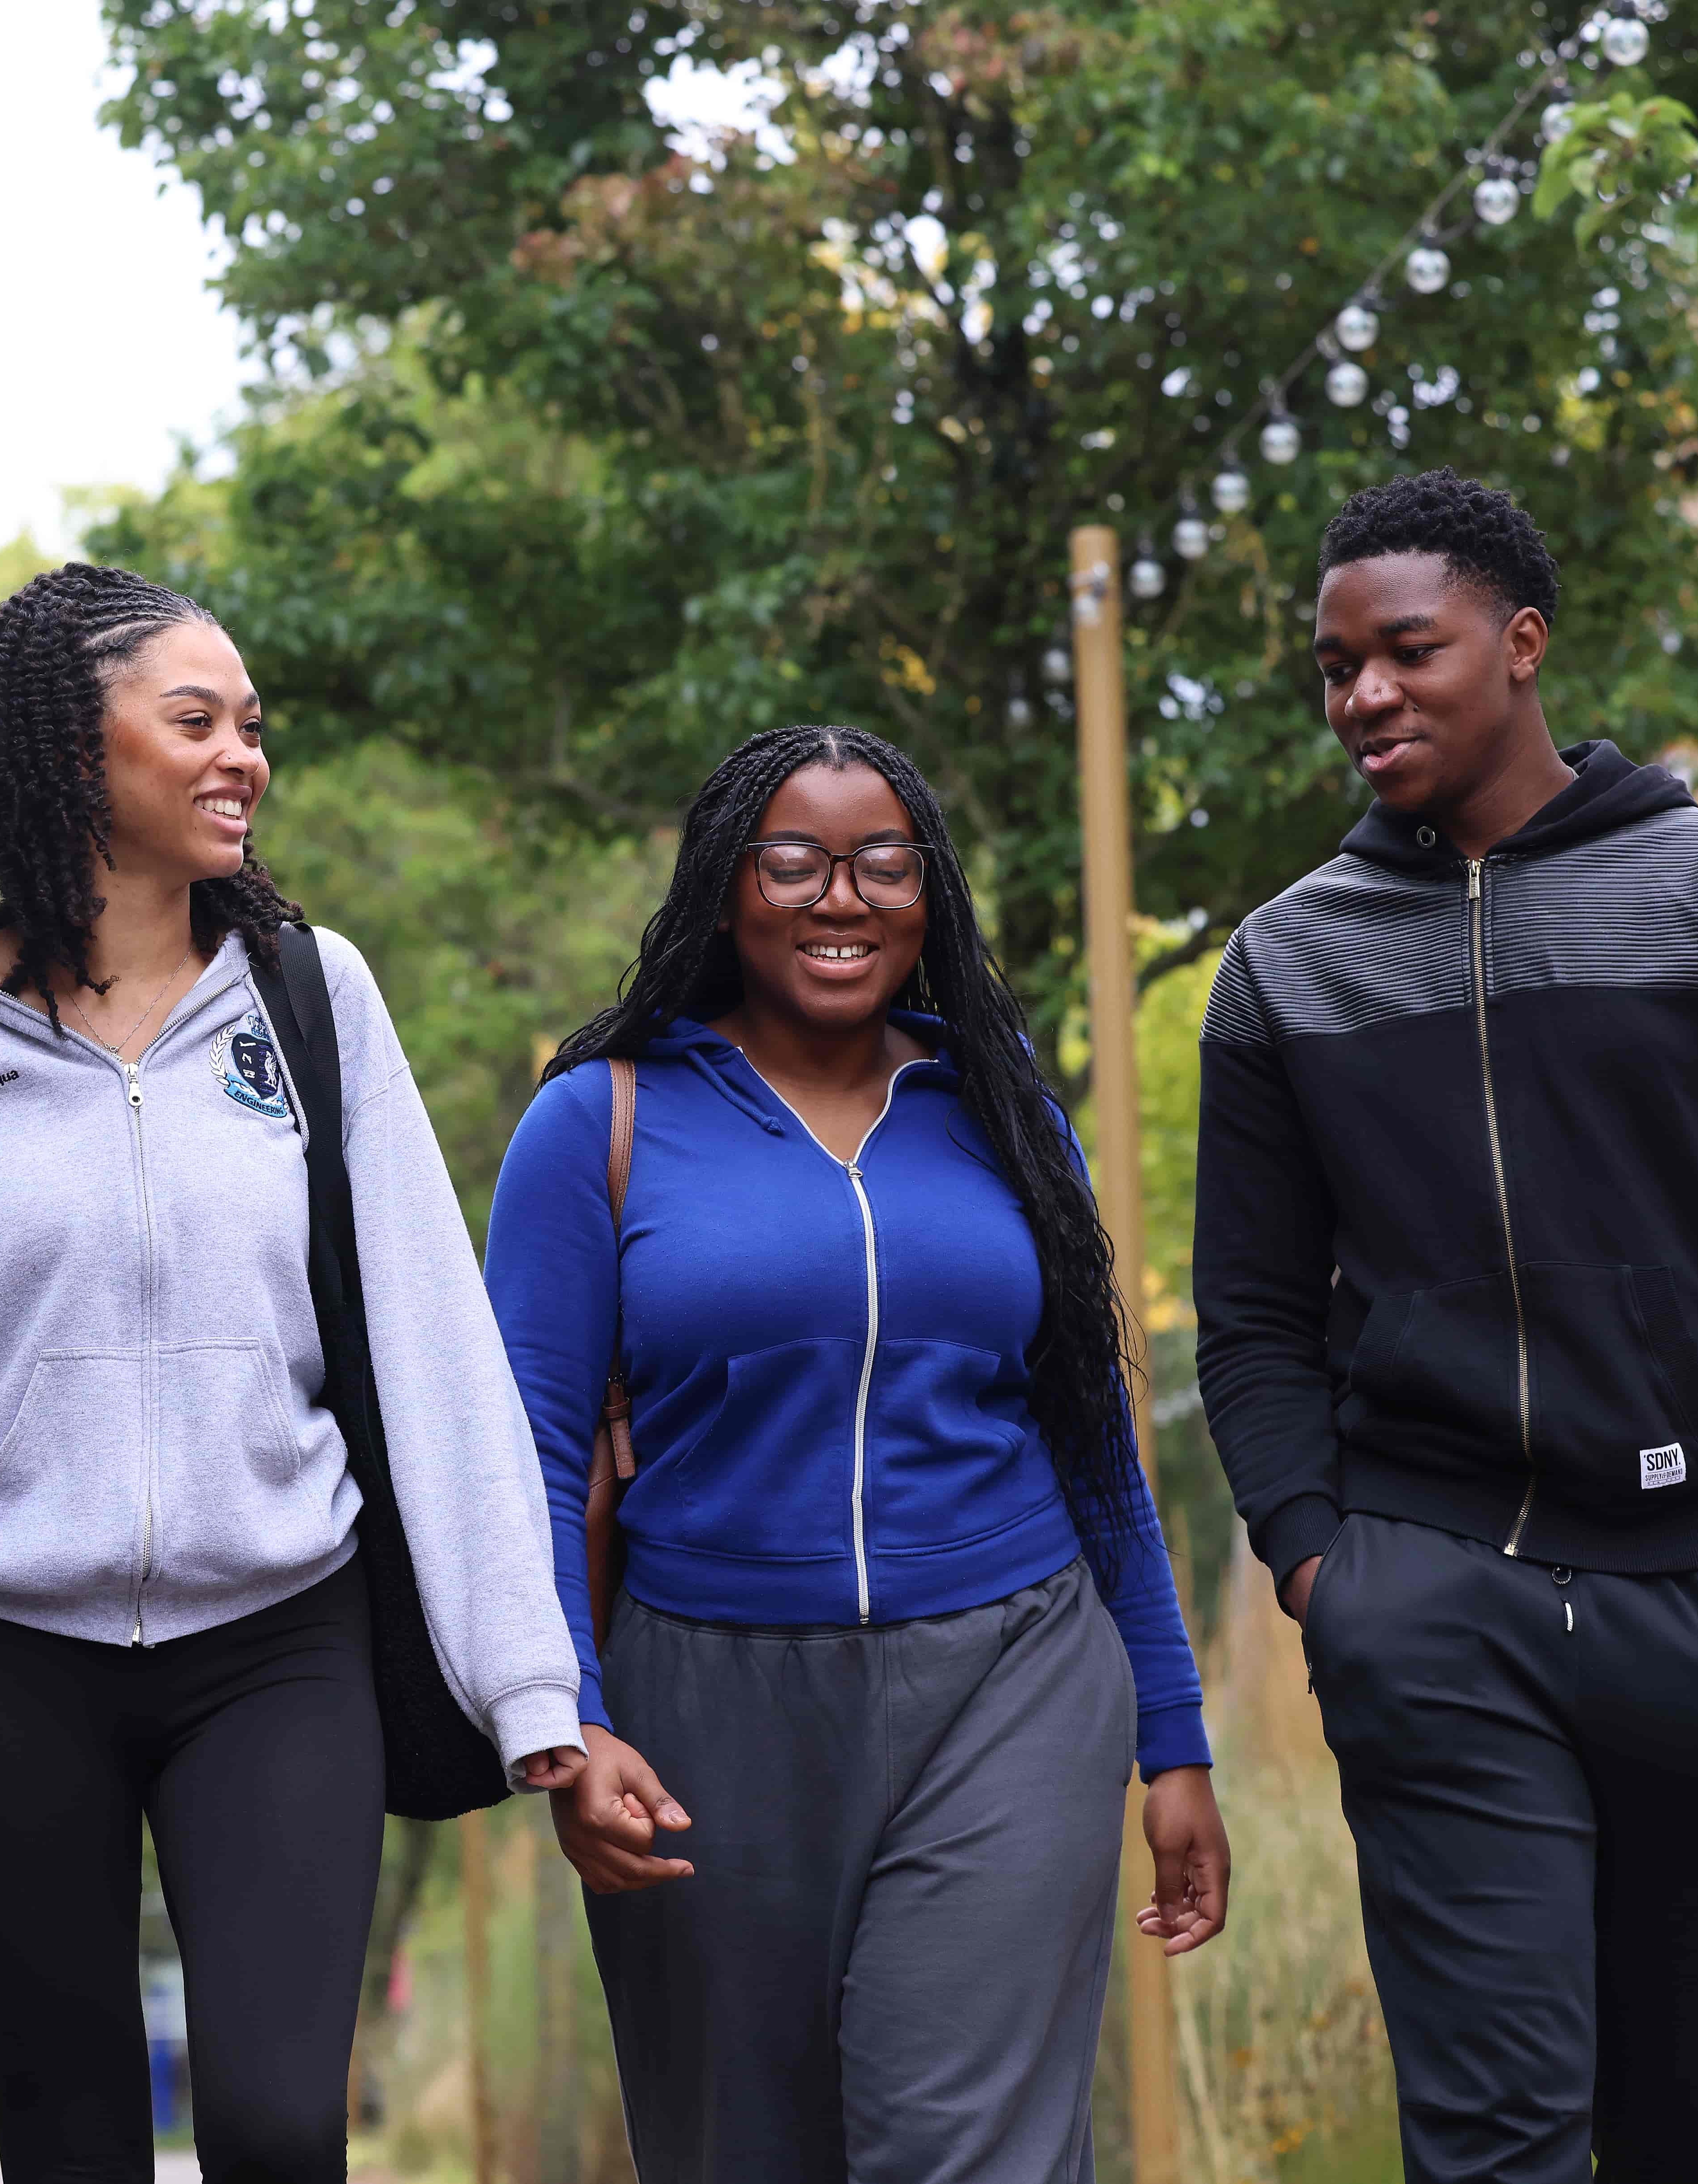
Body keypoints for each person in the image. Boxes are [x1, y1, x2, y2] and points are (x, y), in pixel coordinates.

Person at [0, 562, 585, 2181]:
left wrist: (523, 1671)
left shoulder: (313, 1001)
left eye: (252, 726)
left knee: (269, 2122)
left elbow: (436, 1341)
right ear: (70, 750)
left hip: (277, 1636)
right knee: (69, 2142)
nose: (240, 754)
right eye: (194, 720)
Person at [1194, 470, 1698, 2181]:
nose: (1363, 695)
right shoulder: (1289, 966)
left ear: (1520, 643)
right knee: (1499, 2140)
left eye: (1405, 652)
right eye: (1334, 667)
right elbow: (1253, 1315)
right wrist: (1321, 1567)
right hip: (1439, 1602)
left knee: (1694, 2133)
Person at [484, 724, 1230, 2184]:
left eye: (884, 861)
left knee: (967, 2154)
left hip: (1009, 1670)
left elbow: (1094, 1434)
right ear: (723, 889)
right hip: (705, 1702)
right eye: (795, 860)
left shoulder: (1003, 1116)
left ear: (927, 891)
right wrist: (564, 1718)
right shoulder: (600, 1121)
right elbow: (525, 1448)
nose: (843, 896)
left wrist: (1173, 1731)